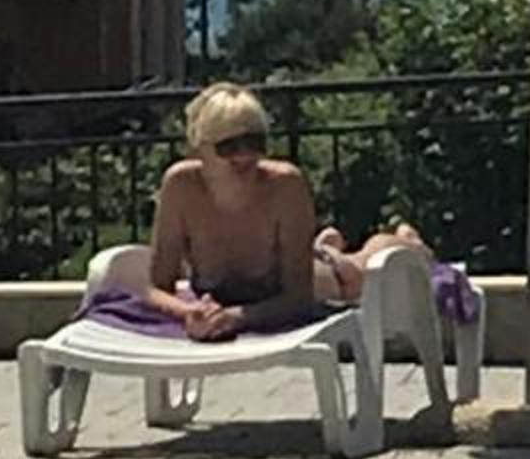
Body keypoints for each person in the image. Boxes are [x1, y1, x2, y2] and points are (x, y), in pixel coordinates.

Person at [147, 87, 437, 344]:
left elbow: (299, 297)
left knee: (369, 263)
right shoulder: (181, 186)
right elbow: (158, 287)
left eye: (255, 142)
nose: (244, 155)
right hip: (274, 281)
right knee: (323, 254)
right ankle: (326, 245)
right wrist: (190, 312)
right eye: (229, 146)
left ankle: (406, 239)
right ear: (200, 148)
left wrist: (235, 317)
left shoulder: (284, 184)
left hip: (331, 281)